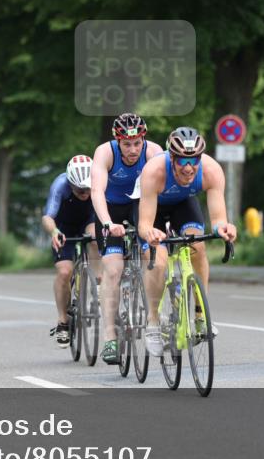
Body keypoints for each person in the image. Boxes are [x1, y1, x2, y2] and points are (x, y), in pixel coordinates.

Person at [136, 126, 238, 357]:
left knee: (198, 247)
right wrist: (150, 234)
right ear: (171, 157)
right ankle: (152, 322)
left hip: (184, 204)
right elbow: (144, 225)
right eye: (182, 161)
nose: (189, 167)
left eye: (194, 160)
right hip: (154, 210)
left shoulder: (211, 170)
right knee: (158, 262)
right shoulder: (154, 172)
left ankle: (201, 317)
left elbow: (218, 218)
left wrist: (224, 227)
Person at [90, 113, 163, 365]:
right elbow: (97, 191)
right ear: (117, 141)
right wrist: (108, 223)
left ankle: (154, 313)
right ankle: (110, 337)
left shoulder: (153, 151)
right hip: (110, 209)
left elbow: (160, 191)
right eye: (126, 144)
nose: (133, 150)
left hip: (140, 207)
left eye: (137, 143)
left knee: (152, 254)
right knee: (113, 269)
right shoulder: (105, 152)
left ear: (143, 139)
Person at [42, 154, 97, 346]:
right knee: (64, 271)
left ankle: (97, 282)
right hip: (63, 227)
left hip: (87, 221)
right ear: (70, 183)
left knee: (95, 238)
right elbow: (47, 217)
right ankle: (62, 321)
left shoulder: (98, 181)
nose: (85, 193)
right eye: (80, 190)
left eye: (88, 189)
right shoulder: (60, 185)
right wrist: (54, 231)